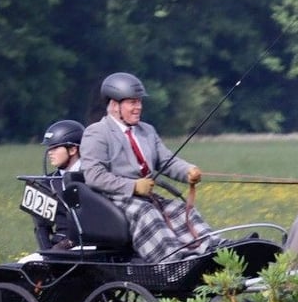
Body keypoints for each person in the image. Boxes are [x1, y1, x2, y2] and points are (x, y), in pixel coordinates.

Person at [79, 71, 217, 263]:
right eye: (132, 102)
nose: (138, 107)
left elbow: (167, 161)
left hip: (146, 197)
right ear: (114, 105)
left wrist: (188, 171)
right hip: (115, 200)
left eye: (139, 102)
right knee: (148, 213)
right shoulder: (97, 133)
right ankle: (173, 260)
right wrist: (133, 186)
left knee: (180, 209)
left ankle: (213, 249)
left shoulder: (147, 131)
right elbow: (94, 176)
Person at [34, 119, 84, 250]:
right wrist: (47, 254)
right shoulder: (46, 182)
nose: (50, 152)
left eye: (55, 147)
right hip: (59, 247)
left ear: (73, 149)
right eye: (49, 147)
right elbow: (41, 226)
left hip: (93, 245)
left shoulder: (93, 176)